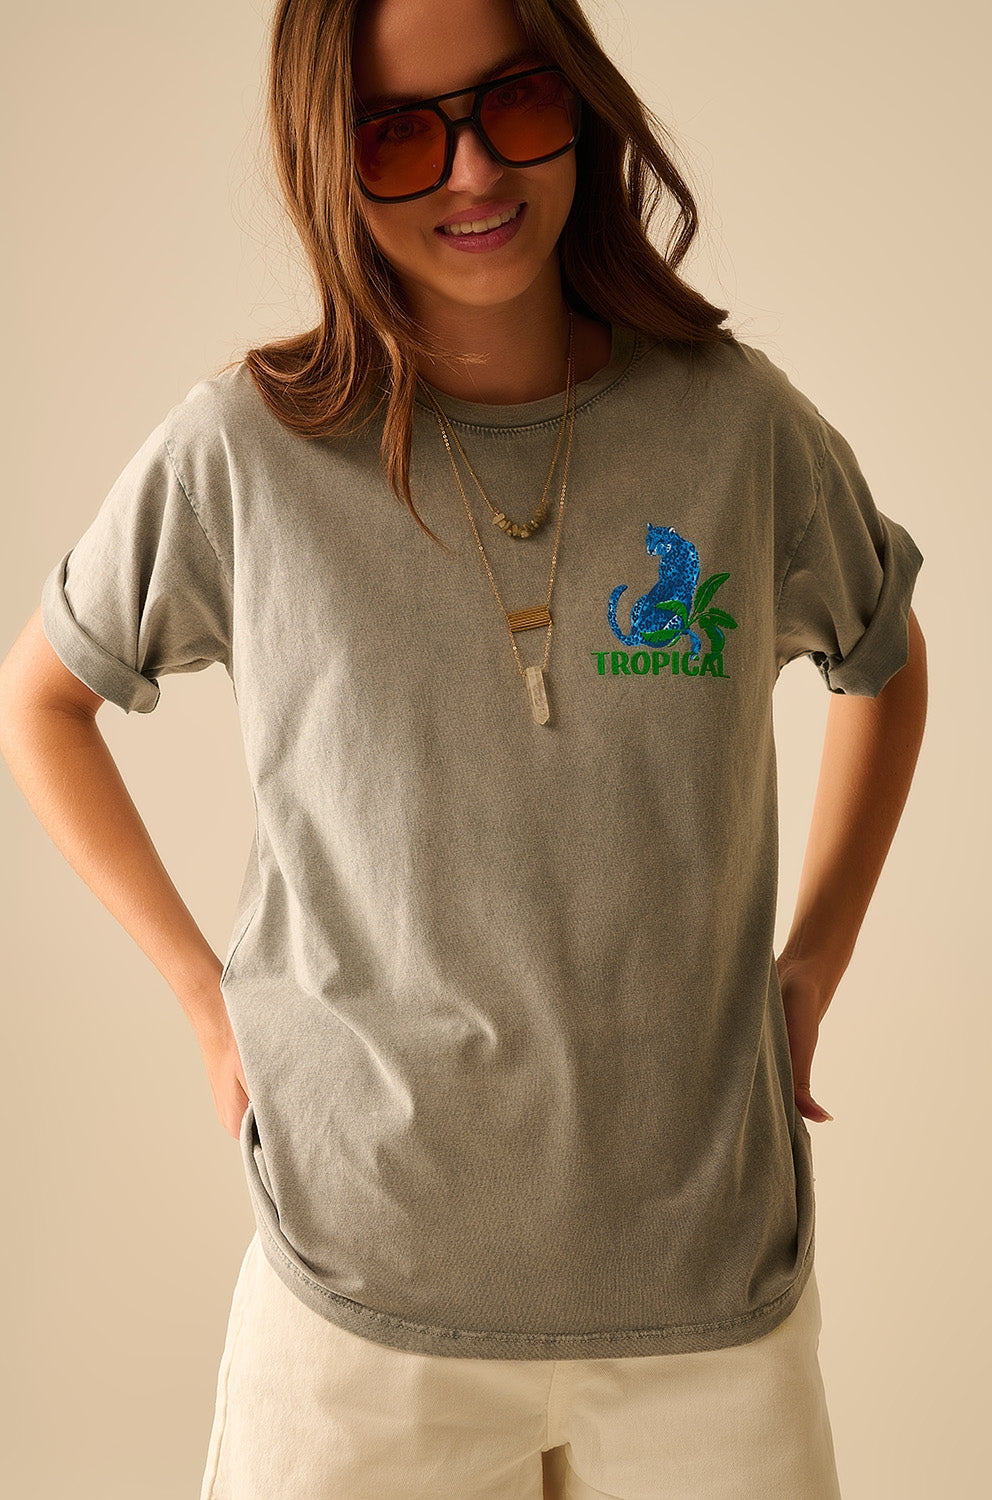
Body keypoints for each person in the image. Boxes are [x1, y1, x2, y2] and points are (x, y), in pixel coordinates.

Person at [0, 0, 928, 1495]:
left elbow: (885, 657)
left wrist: (814, 960)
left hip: (707, 1292)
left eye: (516, 102)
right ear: (328, 157)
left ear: (582, 105)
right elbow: (41, 702)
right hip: (357, 1298)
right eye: (398, 133)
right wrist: (202, 999)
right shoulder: (247, 451)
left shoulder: (736, 428)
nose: (475, 170)